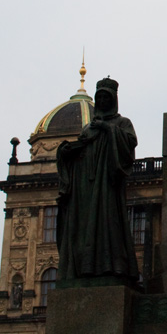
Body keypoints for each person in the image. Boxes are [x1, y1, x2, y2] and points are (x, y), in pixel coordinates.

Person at [57, 77, 139, 282]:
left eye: (106, 97)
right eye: (99, 97)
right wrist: (67, 152)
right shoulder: (88, 127)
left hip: (107, 184)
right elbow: (81, 150)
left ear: (113, 100)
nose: (102, 101)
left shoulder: (122, 123)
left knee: (108, 224)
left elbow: (130, 144)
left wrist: (107, 128)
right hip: (86, 185)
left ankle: (111, 266)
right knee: (85, 227)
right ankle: (85, 268)